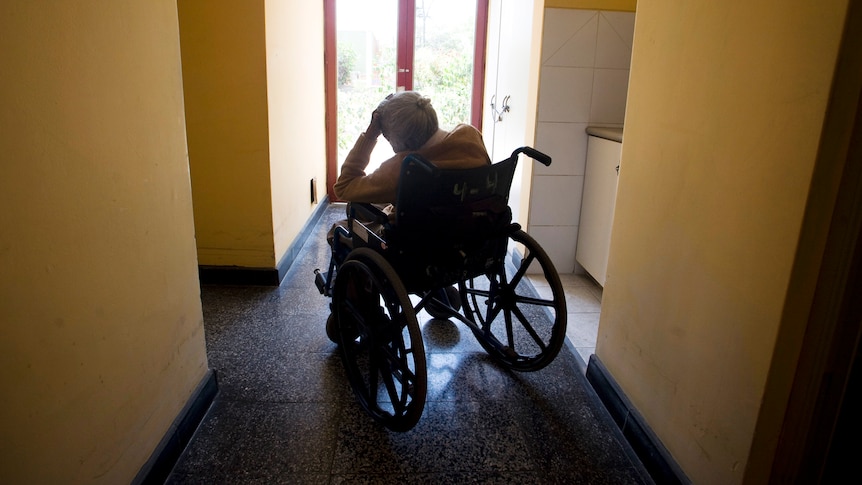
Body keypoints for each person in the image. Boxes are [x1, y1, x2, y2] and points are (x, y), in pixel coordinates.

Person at [329, 91, 491, 243]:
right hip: (470, 236)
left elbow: (344, 186)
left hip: (415, 245)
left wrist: (370, 135)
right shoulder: (470, 137)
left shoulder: (404, 168)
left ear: (401, 142)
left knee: (339, 228)